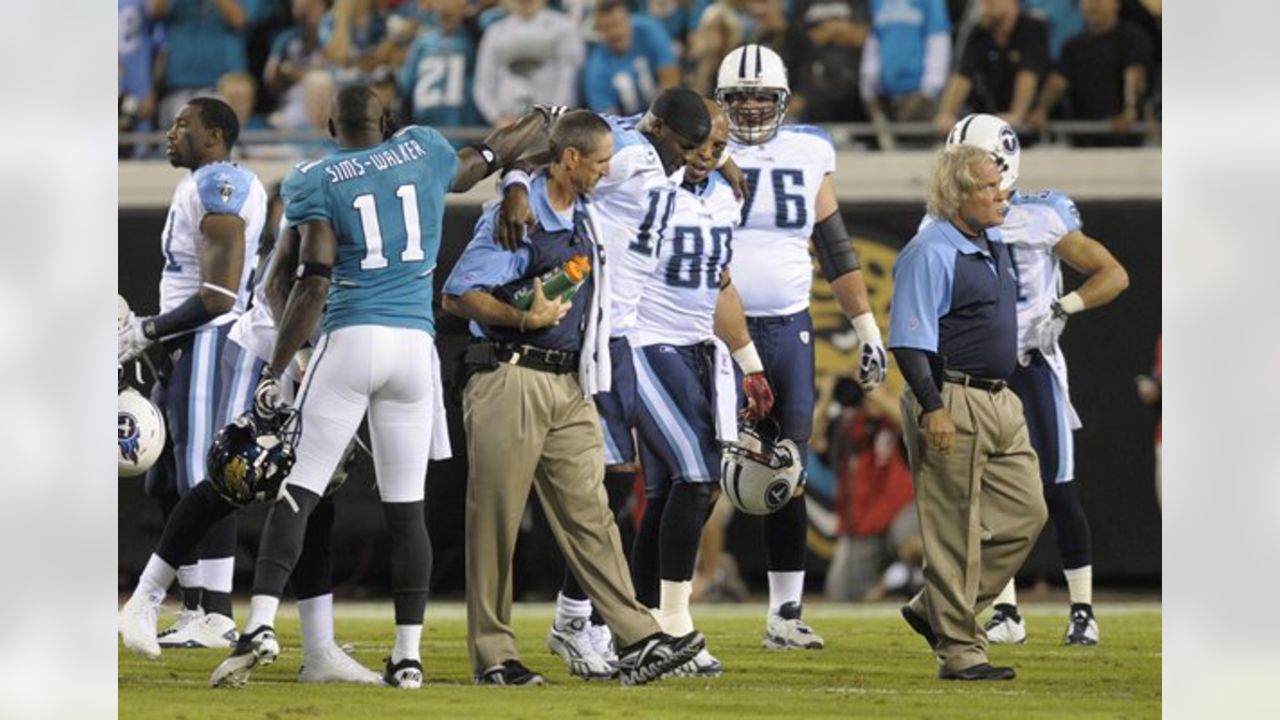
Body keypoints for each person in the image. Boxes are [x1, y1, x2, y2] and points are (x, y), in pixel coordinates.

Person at [207, 85, 553, 690]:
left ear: (334, 122)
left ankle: (260, 624)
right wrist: (536, 120)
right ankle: (408, 657)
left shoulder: (315, 177)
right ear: (387, 119)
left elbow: (311, 281)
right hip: (414, 348)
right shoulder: (422, 148)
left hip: (351, 337)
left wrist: (277, 367)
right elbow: (487, 157)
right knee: (406, 508)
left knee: (298, 490)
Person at [442, 110, 707, 687]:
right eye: (601, 162)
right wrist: (522, 314)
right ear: (570, 161)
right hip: (510, 375)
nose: (609, 171)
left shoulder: (585, 211)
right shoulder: (522, 216)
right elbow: (458, 294)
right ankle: (496, 656)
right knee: (497, 523)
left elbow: (649, 119)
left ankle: (638, 639)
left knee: (593, 515)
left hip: (569, 381)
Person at [118, 212, 382, 684]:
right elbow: (280, 285)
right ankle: (147, 597)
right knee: (236, 474)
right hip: (269, 349)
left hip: (320, 355)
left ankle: (319, 648)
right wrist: (298, 355)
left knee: (317, 495)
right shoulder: (327, 199)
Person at [713, 43, 887, 650]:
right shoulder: (700, 144)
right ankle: (659, 609)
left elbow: (835, 245)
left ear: (784, 100)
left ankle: (784, 612)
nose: (754, 108)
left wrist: (866, 328)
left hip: (788, 326)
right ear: (722, 102)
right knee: (688, 470)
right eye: (741, 97)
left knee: (786, 467)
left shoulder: (811, 149)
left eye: (763, 96)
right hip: (710, 326)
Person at [944, 114, 1130, 647]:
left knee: (1059, 487)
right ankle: (1005, 610)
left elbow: (1113, 273)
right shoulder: (945, 220)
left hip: (1032, 364)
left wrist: (1064, 304)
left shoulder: (1041, 214)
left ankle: (1082, 609)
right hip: (979, 370)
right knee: (982, 495)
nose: (963, 177)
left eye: (973, 166)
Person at [889, 143, 1047, 681]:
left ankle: (932, 608)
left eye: (997, 183)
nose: (999, 194)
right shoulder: (930, 251)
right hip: (951, 395)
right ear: (958, 195)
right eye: (987, 186)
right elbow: (909, 343)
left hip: (1002, 399)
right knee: (953, 531)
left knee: (1028, 514)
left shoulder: (993, 237)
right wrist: (932, 407)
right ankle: (959, 652)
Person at [628, 99, 773, 677]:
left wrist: (750, 363)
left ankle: (639, 623)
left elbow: (721, 285)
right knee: (694, 476)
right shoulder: (640, 178)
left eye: (717, 148)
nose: (705, 157)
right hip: (641, 339)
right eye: (698, 145)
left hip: (697, 347)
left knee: (668, 493)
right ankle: (675, 624)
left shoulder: (722, 197)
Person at [117, 96, 267, 650]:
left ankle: (219, 612)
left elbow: (220, 294)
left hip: (211, 335)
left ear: (214, 136)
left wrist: (148, 330)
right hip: (188, 338)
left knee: (210, 472)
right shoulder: (202, 183)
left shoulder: (219, 185)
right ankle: (198, 607)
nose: (171, 131)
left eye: (184, 124)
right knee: (162, 475)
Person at [824, 383, 923, 603]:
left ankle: (910, 578)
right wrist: (831, 397)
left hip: (902, 510)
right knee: (841, 593)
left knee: (912, 544)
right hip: (865, 523)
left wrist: (871, 390)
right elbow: (813, 440)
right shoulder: (846, 424)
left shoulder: (892, 418)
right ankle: (894, 579)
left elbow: (913, 425)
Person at [1026, 0, 1153, 146]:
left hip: (1124, 139)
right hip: (1083, 139)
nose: (1091, 5)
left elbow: (1135, 75)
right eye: (1085, 1)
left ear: (1115, 4)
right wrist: (1041, 110)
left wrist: (1130, 112)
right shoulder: (1073, 46)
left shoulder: (1133, 38)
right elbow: (1058, 81)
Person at [932, 0, 1051, 135]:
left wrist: (1017, 114)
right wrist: (947, 113)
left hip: (1027, 126)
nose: (985, 4)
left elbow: (1028, 75)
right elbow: (961, 76)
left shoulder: (1032, 28)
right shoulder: (977, 30)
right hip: (987, 119)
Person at [473, 0, 585, 127]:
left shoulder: (564, 28)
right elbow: (483, 82)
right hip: (508, 124)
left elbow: (568, 81)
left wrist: (553, 117)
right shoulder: (495, 32)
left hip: (551, 124)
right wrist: (496, 116)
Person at [582, 0, 681, 116]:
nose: (615, 32)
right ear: (598, 31)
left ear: (629, 19)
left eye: (618, 24)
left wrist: (659, 119)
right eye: (607, 28)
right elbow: (608, 118)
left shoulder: (649, 30)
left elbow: (670, 76)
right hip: (630, 128)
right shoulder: (596, 68)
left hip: (665, 113)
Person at [398, 0, 484, 132]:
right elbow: (406, 90)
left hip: (466, 130)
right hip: (426, 130)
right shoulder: (422, 43)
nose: (446, 5)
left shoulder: (474, 38)